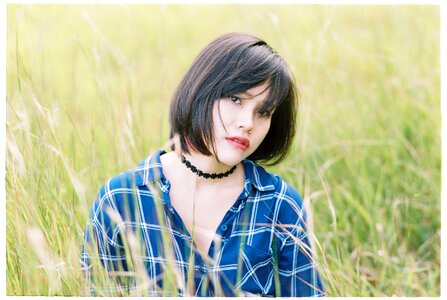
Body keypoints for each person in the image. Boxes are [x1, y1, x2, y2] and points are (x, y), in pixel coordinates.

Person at [81, 32, 325, 297]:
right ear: (201, 91)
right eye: (235, 99)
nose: (248, 122)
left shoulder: (280, 204)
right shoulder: (120, 198)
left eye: (263, 112)